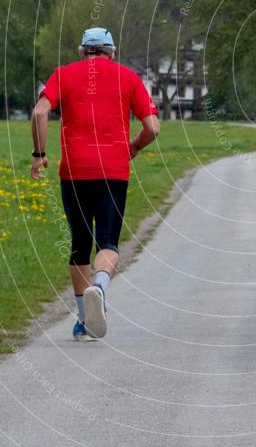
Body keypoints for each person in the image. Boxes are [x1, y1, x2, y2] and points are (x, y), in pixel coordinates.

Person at [30, 27, 160, 341]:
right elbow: (153, 128)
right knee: (108, 242)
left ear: (82, 51)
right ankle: (100, 286)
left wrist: (39, 155)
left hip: (74, 172)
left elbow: (39, 112)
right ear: (111, 52)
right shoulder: (128, 78)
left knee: (79, 245)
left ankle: (84, 319)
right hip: (113, 171)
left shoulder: (63, 74)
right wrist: (134, 147)